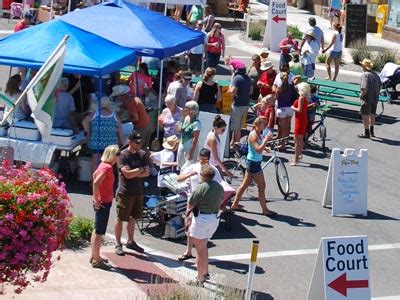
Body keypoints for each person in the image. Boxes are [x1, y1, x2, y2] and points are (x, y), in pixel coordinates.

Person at [177, 148, 222, 263]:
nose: (203, 163)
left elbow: (218, 186)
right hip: (192, 200)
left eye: (205, 160)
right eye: (201, 160)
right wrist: (189, 175)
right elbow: (179, 178)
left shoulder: (213, 171)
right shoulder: (194, 167)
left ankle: (201, 253)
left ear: (208, 159)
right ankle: (188, 251)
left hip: (205, 204)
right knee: (189, 226)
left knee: (200, 230)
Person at [231, 117, 277, 216]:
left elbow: (258, 148)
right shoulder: (253, 135)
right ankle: (265, 210)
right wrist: (265, 140)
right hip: (254, 164)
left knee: (245, 184)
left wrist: (266, 148)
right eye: (263, 124)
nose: (265, 126)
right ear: (257, 124)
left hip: (253, 162)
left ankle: (235, 204)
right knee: (262, 186)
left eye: (265, 124)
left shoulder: (258, 134)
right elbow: (258, 150)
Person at [186, 164, 224, 286]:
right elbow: (221, 199)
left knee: (199, 251)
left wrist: (187, 216)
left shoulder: (200, 188)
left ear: (203, 176)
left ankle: (200, 278)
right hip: (214, 219)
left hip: (202, 219)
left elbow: (191, 203)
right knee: (204, 245)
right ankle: (206, 272)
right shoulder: (219, 187)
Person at [114, 132, 150, 256]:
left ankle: (131, 241)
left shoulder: (143, 154)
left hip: (137, 192)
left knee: (133, 218)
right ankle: (118, 243)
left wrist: (135, 172)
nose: (139, 144)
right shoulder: (123, 155)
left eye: (140, 142)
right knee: (120, 218)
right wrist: (140, 170)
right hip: (124, 192)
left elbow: (147, 172)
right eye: (136, 142)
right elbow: (127, 175)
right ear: (129, 142)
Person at [90, 145, 120, 270]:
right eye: (118, 154)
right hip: (103, 202)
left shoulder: (103, 165)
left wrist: (96, 198)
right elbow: (96, 182)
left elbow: (94, 177)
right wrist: (96, 199)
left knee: (96, 229)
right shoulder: (107, 168)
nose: (119, 156)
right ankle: (97, 260)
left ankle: (95, 255)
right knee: (99, 231)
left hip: (102, 201)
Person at [82, 96, 123, 174]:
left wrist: (89, 131)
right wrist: (121, 141)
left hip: (96, 141)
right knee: (110, 162)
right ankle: (106, 180)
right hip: (110, 142)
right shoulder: (114, 115)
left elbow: (84, 122)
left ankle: (94, 181)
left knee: (95, 160)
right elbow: (120, 129)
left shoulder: (95, 113)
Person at [111, 85, 152, 150]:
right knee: (144, 146)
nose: (116, 99)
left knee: (136, 146)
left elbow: (135, 118)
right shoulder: (133, 98)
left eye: (116, 97)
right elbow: (123, 109)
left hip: (141, 126)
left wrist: (123, 121)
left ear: (120, 96)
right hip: (147, 123)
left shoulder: (129, 102)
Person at [229, 67, 252, 149]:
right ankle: (232, 144)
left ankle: (236, 147)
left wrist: (230, 87)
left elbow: (233, 91)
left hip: (237, 105)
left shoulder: (237, 78)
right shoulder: (248, 78)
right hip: (245, 105)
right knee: (238, 126)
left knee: (236, 128)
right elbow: (251, 91)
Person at [358, 59, 381, 138]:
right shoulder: (376, 75)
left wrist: (360, 96)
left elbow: (364, 89)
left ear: (364, 66)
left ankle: (366, 132)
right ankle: (372, 131)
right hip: (375, 98)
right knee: (372, 115)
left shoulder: (365, 75)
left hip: (367, 99)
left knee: (365, 115)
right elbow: (380, 85)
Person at [273, 71, 296, 151]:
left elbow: (276, 98)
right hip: (290, 108)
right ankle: (285, 141)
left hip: (281, 109)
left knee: (282, 127)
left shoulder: (279, 88)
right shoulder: (291, 86)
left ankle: (282, 145)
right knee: (287, 125)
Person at [176, 101, 201, 169]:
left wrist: (191, 153)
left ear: (192, 111)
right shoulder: (186, 118)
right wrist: (182, 117)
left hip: (190, 148)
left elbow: (195, 139)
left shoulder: (196, 123)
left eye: (186, 108)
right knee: (181, 167)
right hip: (182, 145)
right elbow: (179, 129)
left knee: (189, 168)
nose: (184, 109)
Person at [291, 82, 309, 166]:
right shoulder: (304, 98)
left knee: (297, 140)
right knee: (299, 140)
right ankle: (298, 156)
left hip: (300, 120)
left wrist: (292, 107)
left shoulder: (301, 98)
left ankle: (296, 159)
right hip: (301, 119)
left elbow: (299, 110)